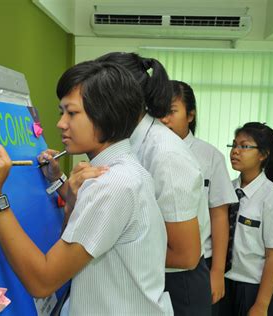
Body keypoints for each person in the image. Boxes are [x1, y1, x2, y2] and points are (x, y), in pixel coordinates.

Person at [0, 60, 173, 315]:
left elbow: (42, 281)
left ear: (105, 114)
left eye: (72, 113)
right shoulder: (127, 172)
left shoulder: (112, 186)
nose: (61, 123)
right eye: (61, 112)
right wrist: (59, 182)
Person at [96, 52, 211, 315]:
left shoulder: (165, 154)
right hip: (149, 274)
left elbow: (185, 255)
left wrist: (110, 248)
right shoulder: (127, 141)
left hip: (177, 285)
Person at [160, 80, 238, 314]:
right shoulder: (147, 152)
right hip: (153, 260)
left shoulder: (209, 156)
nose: (164, 119)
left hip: (195, 263)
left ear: (190, 115)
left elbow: (219, 215)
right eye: (159, 112)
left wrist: (216, 272)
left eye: (172, 111)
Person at [220, 122, 273, 316]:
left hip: (257, 289)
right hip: (225, 283)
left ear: (263, 154)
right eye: (234, 145)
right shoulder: (226, 189)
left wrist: (261, 304)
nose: (235, 151)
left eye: (244, 146)